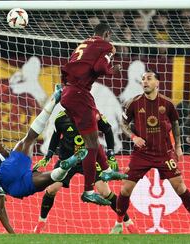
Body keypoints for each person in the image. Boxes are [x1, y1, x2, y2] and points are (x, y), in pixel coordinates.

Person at [0, 85, 88, 234]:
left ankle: (66, 166)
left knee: (50, 178)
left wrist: (12, 234)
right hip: (8, 172)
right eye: (2, 145)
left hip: (14, 188)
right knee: (28, 139)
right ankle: (54, 99)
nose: (6, 146)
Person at [113, 70, 190, 234]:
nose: (145, 82)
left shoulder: (167, 103)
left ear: (157, 83)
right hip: (141, 153)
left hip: (164, 153)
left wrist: (177, 147)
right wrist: (134, 137)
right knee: (125, 189)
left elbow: (176, 125)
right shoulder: (133, 103)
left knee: (180, 187)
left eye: (149, 79)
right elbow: (123, 124)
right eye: (143, 79)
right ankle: (119, 224)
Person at [33, 110, 138, 234]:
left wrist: (110, 153)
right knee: (51, 189)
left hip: (90, 157)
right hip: (68, 160)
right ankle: (41, 222)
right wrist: (48, 156)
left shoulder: (92, 114)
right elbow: (56, 136)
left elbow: (108, 130)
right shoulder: (60, 118)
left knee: (105, 192)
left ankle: (127, 222)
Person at [61, 23, 127, 205]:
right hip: (79, 95)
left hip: (67, 93)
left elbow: (72, 67)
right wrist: (111, 66)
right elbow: (99, 68)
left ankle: (105, 169)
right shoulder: (106, 46)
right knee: (91, 145)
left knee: (92, 140)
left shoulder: (84, 43)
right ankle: (88, 190)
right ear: (107, 34)